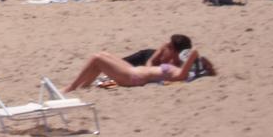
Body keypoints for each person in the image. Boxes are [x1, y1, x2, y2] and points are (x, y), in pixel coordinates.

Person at [65, 48, 201, 92]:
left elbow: (183, 75)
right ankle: (84, 86)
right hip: (133, 72)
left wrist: (194, 54)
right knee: (103, 55)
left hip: (131, 77)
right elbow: (151, 64)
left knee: (97, 58)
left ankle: (71, 87)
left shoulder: (179, 73)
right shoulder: (174, 68)